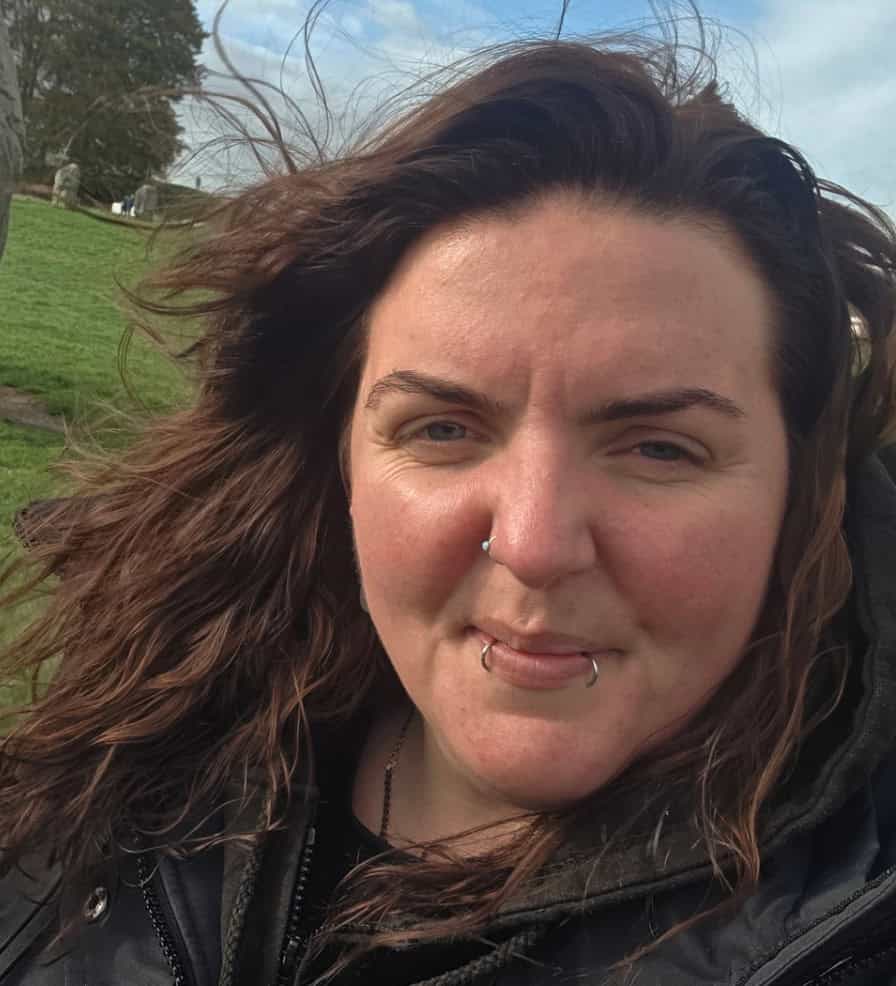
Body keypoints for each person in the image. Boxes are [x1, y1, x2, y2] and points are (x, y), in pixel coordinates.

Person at [2, 16, 896, 986]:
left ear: (798, 492)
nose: (533, 543)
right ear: (339, 459)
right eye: (441, 429)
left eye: (657, 447)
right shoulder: (133, 754)